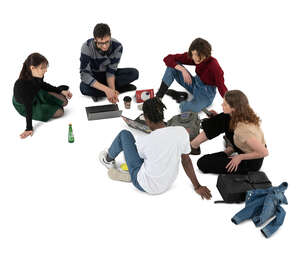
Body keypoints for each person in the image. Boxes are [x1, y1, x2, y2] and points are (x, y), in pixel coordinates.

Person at [99, 98, 211, 199]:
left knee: (124, 135)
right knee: (156, 153)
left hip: (143, 184)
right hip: (168, 183)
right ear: (162, 114)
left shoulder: (145, 141)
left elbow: (138, 156)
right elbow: (186, 160)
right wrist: (197, 186)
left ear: (146, 119)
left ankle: (108, 160)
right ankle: (131, 175)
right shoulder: (181, 131)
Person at [191, 90, 268, 174]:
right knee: (223, 118)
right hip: (243, 145)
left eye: (225, 104)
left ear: (233, 108)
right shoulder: (241, 114)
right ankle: (194, 145)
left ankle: (228, 151)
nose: (222, 105)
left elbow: (264, 152)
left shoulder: (244, 130)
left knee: (202, 163)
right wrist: (215, 119)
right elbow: (227, 121)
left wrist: (240, 157)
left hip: (250, 162)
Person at [156, 38, 228, 113]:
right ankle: (158, 98)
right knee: (172, 67)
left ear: (205, 54)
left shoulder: (214, 65)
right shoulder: (194, 58)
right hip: (194, 84)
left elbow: (221, 86)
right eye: (193, 54)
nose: (195, 57)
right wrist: (182, 70)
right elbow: (168, 58)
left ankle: (184, 99)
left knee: (184, 108)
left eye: (198, 55)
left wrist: (231, 103)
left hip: (206, 95)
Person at [13, 53, 72, 139]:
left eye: (46, 67)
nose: (45, 70)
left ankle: (49, 99)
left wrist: (60, 90)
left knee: (65, 101)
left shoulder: (37, 74)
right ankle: (46, 105)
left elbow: (42, 84)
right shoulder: (22, 86)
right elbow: (28, 107)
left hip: (35, 93)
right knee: (60, 112)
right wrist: (28, 128)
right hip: (26, 105)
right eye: (42, 68)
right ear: (32, 68)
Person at [80, 23, 139, 102]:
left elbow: (111, 71)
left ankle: (101, 93)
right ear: (95, 39)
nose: (104, 46)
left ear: (110, 37)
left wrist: (111, 89)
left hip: (109, 75)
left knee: (134, 73)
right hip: (94, 76)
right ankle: (119, 90)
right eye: (101, 43)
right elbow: (84, 74)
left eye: (107, 42)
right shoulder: (86, 47)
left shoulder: (118, 46)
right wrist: (107, 90)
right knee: (83, 88)